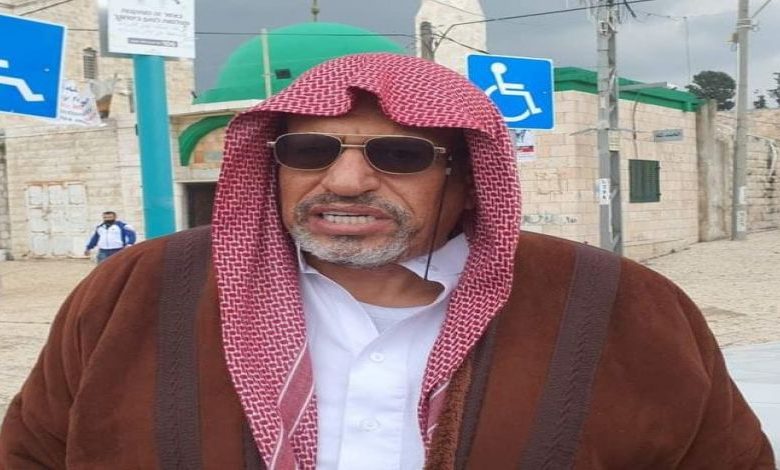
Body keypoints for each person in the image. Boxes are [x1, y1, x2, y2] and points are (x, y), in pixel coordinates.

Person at [0, 53, 774, 469]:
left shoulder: (615, 304)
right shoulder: (138, 291)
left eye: (399, 155)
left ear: (467, 179)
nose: (344, 181)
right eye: (309, 151)